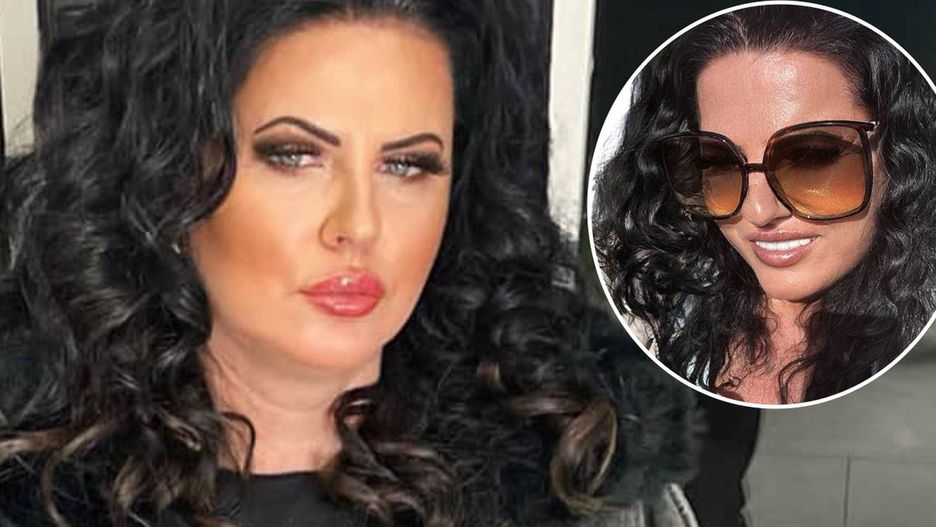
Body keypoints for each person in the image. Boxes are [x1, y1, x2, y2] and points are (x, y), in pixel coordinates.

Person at [0, 1, 697, 526]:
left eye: (407, 164)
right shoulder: (29, 484)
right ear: (171, 178)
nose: (360, 225)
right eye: (294, 155)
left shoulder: (580, 472)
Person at [591, 4, 936, 405]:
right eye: (716, 163)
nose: (758, 212)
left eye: (810, 158)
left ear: (899, 154)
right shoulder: (671, 309)